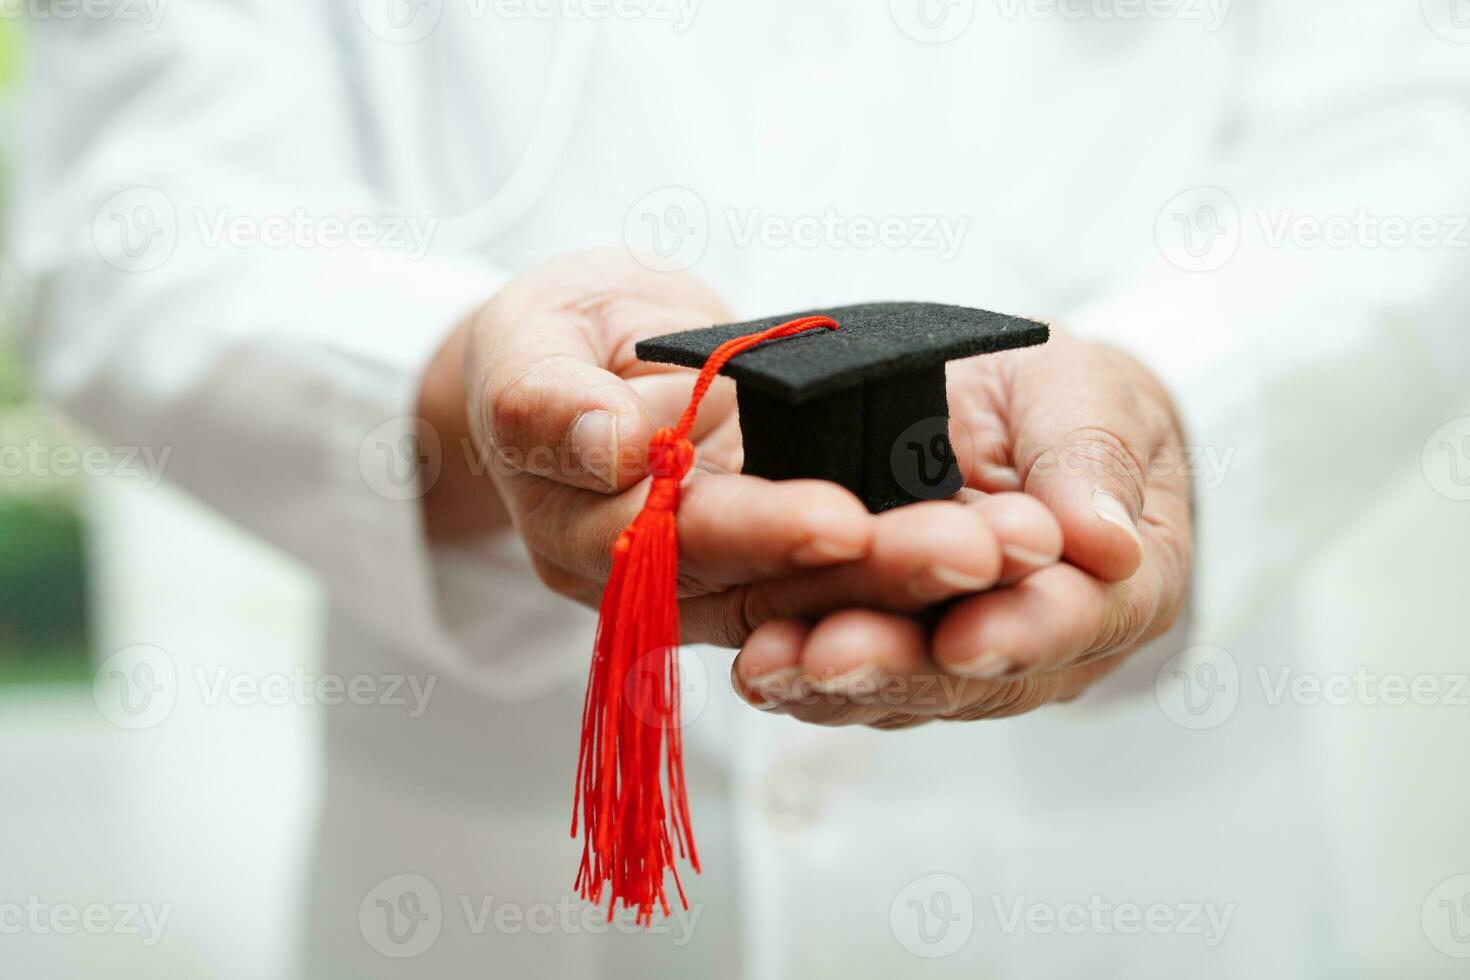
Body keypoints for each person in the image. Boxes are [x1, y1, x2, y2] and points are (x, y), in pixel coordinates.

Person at [9, 1, 1469, 976]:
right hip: (495, 896)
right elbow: (137, 217)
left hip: (1149, 892)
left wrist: (1170, 394)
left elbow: (1414, 148)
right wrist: (460, 388)